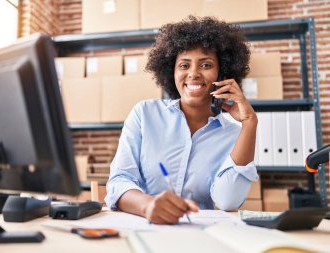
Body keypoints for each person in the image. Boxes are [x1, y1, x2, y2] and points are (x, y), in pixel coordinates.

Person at [105, 16, 259, 224]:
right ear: (172, 72)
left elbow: (227, 201)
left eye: (205, 65)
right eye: (184, 65)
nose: (193, 74)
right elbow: (119, 181)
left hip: (198, 236)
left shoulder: (233, 135)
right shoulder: (145, 114)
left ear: (222, 74)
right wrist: (148, 205)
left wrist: (249, 122)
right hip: (141, 228)